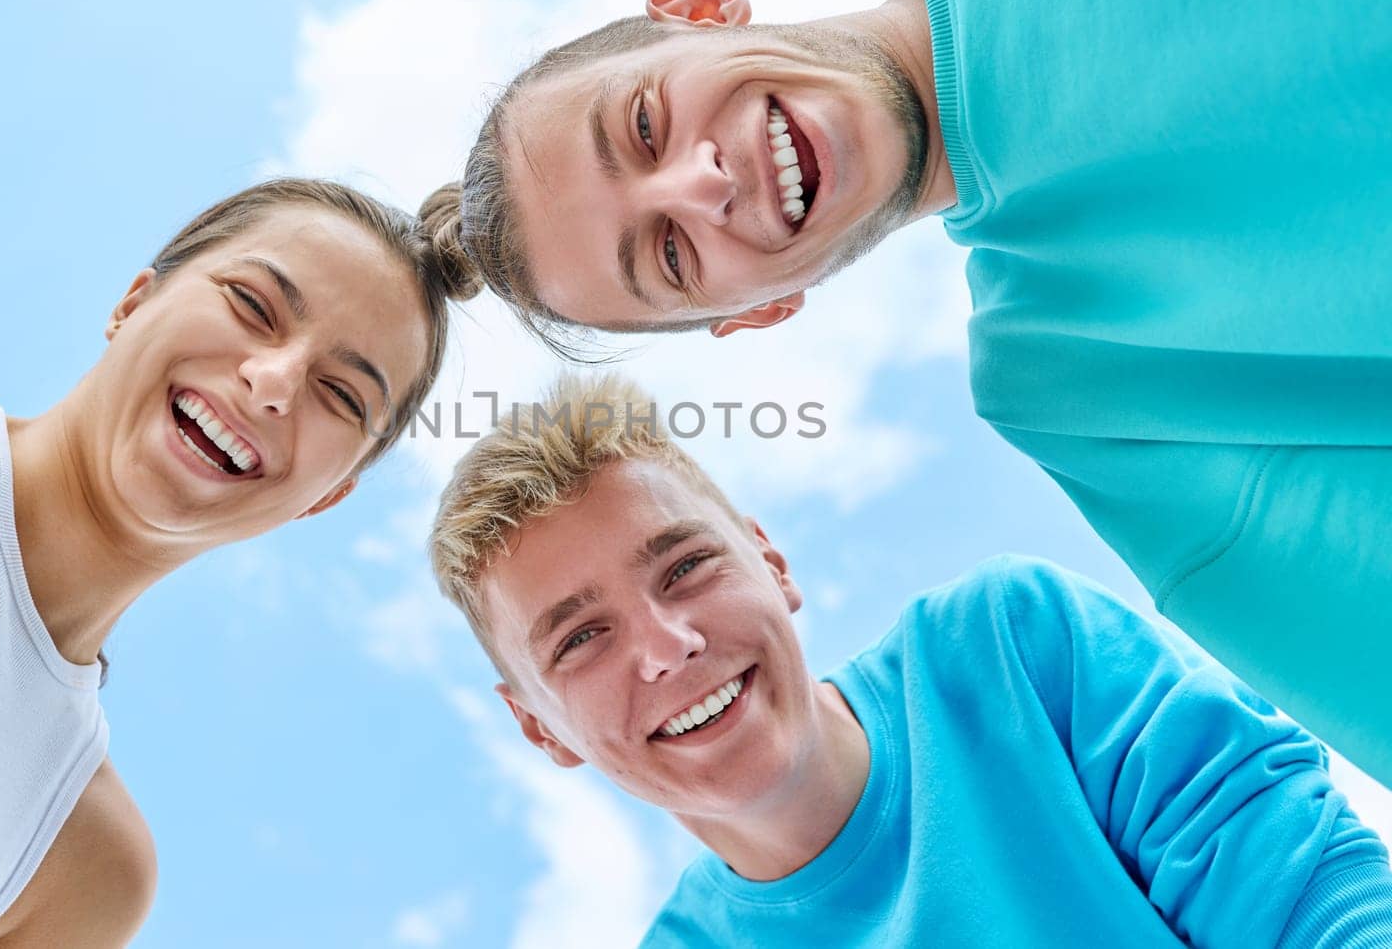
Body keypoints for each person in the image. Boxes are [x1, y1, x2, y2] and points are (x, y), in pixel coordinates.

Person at [418, 0, 1392, 783]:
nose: (703, 183)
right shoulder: (1078, 393)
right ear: (761, 310)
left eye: (642, 124)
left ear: (699, 9)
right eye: (669, 253)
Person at [428, 375, 1392, 947]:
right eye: (581, 637)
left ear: (772, 562)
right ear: (536, 725)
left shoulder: (1012, 644)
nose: (667, 644)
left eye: (685, 566)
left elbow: (1306, 895)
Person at [0, 179, 480, 948]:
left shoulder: (85, 871)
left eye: (342, 395)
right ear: (133, 302)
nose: (275, 382)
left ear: (323, 499)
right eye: (253, 306)